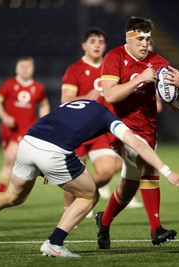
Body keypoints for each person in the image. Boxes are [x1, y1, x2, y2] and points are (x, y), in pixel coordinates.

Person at [0, 100, 179, 257]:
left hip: (29, 143)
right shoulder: (107, 115)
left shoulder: (76, 104)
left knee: (12, 196)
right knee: (89, 194)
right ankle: (54, 243)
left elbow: (56, 125)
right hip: (52, 151)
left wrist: (45, 164)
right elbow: (137, 143)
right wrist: (167, 171)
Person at [96, 16, 179, 249]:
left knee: (127, 189)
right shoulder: (114, 57)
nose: (145, 43)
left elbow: (175, 105)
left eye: (147, 38)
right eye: (139, 38)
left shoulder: (159, 62)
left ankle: (104, 222)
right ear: (128, 38)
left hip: (148, 129)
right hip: (119, 127)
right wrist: (140, 80)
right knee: (148, 166)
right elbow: (110, 96)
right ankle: (156, 229)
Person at [61, 27, 142, 215]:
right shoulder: (75, 69)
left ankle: (84, 194)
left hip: (101, 130)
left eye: (101, 42)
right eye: (93, 42)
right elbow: (65, 100)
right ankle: (69, 211)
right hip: (77, 130)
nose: (97, 45)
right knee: (73, 175)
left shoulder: (112, 66)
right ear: (84, 46)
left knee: (106, 171)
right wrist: (86, 96)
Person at [0, 56, 50, 192]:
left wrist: (44, 121)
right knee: (9, 161)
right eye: (22, 66)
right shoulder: (9, 85)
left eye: (28, 66)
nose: (25, 69)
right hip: (10, 130)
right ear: (16, 68)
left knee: (11, 159)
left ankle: (2, 192)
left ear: (33, 69)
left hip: (28, 130)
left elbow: (44, 105)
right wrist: (5, 116)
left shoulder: (37, 88)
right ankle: (7, 191)